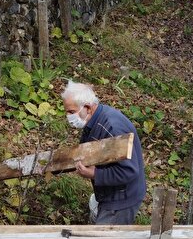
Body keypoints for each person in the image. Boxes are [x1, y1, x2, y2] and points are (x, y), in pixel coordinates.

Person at [62, 80, 146, 225]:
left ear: (87, 108)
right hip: (108, 193)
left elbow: (129, 171)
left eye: (71, 112)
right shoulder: (93, 121)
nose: (68, 117)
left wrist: (94, 174)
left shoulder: (112, 128)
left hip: (121, 199)